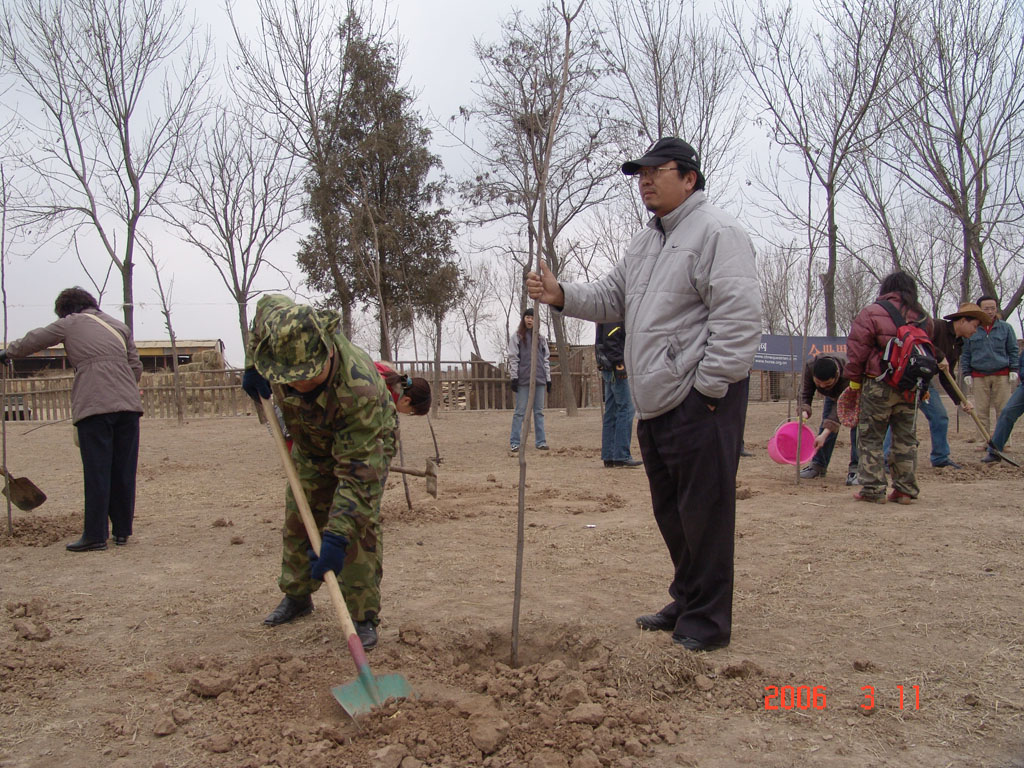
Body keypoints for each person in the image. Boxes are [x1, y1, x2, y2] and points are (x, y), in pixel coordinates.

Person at [526, 137, 761, 652]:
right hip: (656, 403)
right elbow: (612, 297)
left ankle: (708, 622)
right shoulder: (644, 242)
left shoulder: (717, 234)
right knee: (672, 513)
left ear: (690, 178)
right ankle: (688, 595)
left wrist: (709, 388)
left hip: (701, 400)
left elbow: (740, 318)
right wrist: (560, 293)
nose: (646, 180)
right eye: (640, 173)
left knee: (706, 512)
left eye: (658, 171)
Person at [241, 294, 397, 650]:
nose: (297, 387)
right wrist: (253, 364)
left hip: (365, 442)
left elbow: (357, 476)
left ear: (327, 353)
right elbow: (262, 310)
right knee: (300, 512)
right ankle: (297, 595)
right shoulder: (278, 323)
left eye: (306, 379)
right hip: (309, 440)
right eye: (289, 380)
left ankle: (362, 615)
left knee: (357, 528)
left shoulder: (359, 388)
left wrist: (337, 536)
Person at [1, 287, 143, 551]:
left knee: (97, 470)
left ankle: (95, 535)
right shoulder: (119, 326)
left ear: (66, 310)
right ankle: (122, 532)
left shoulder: (70, 322)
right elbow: (136, 367)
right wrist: (121, 389)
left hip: (94, 406)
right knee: (123, 469)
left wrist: (8, 353)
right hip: (129, 407)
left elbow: (36, 339)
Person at [844, 271, 929, 504]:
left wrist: (854, 380)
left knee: (871, 436)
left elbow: (857, 350)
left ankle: (872, 489)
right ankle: (905, 489)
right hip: (910, 386)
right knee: (905, 437)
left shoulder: (872, 312)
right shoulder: (921, 316)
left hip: (878, 383)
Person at [882, 302, 983, 468]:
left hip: (926, 385)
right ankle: (887, 459)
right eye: (974, 325)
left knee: (940, 417)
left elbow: (946, 376)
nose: (975, 330)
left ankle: (940, 458)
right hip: (907, 380)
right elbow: (916, 340)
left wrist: (961, 401)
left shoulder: (958, 344)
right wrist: (940, 355)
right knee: (900, 419)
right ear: (963, 320)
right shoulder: (936, 326)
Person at [961, 295, 1018, 437]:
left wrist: (1014, 369)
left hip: (1002, 374)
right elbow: (966, 352)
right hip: (979, 375)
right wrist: (966, 372)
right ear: (979, 309)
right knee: (981, 411)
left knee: (1004, 410)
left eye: (993, 308)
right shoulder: (972, 329)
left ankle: (1003, 442)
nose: (990, 311)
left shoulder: (1006, 328)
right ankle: (983, 440)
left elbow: (1013, 349)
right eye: (986, 308)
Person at [797, 354, 859, 485]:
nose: (822, 387)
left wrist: (824, 434)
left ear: (836, 375)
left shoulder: (847, 372)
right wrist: (803, 412)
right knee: (825, 424)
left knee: (857, 429)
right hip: (832, 397)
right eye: (818, 383)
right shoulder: (810, 367)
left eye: (827, 384)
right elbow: (805, 393)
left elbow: (838, 411)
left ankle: (857, 469)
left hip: (854, 395)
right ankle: (818, 465)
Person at [595, 321, 641, 468]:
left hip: (609, 367)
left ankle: (609, 455)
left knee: (612, 411)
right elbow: (610, 339)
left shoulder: (607, 314)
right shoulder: (614, 316)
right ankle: (621, 455)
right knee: (626, 409)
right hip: (616, 369)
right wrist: (619, 363)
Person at [507, 307, 551, 452]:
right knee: (520, 411)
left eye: (532, 317)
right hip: (524, 379)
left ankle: (541, 441)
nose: (530, 320)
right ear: (524, 319)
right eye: (527, 317)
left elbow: (545, 359)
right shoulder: (517, 337)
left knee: (539, 411)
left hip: (539, 379)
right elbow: (513, 358)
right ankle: (515, 441)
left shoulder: (541, 338)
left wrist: (548, 379)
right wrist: (514, 377)